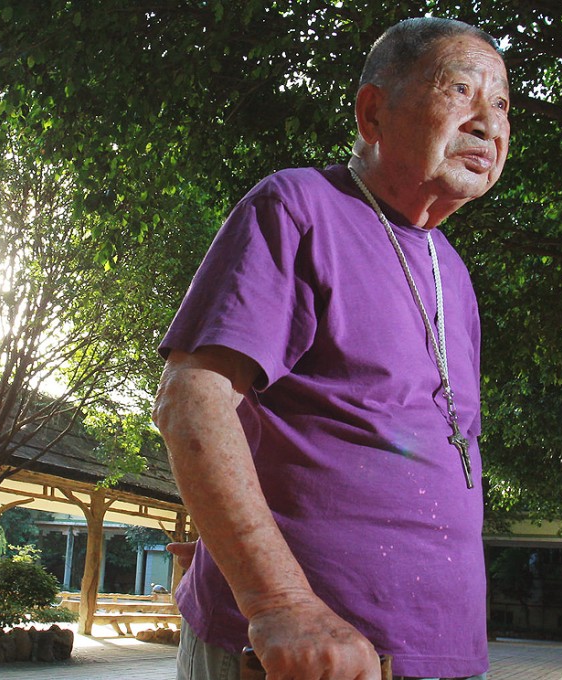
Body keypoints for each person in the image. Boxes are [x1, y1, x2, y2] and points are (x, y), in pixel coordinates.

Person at [153, 16, 510, 680]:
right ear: (373, 113)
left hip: (446, 654)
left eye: (503, 105)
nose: (489, 123)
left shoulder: (451, 270)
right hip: (302, 655)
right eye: (462, 90)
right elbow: (191, 402)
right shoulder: (296, 206)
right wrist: (281, 605)